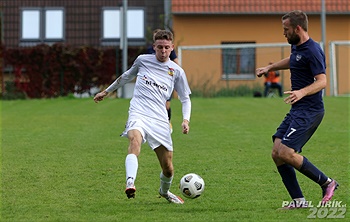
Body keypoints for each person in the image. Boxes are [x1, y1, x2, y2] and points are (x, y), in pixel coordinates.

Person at [93, 30, 191, 204]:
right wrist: (106, 92)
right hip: (138, 111)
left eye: (166, 48)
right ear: (154, 47)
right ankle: (130, 181)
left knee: (168, 168)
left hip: (160, 119)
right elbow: (125, 77)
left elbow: (185, 98)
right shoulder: (142, 60)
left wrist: (185, 120)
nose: (163, 51)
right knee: (134, 141)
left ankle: (164, 192)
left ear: (172, 48)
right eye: (159, 47)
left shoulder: (177, 71)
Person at [256, 10, 338, 209]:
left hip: (310, 110)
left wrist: (302, 92)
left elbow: (322, 81)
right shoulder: (296, 46)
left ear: (298, 28)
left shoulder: (313, 50)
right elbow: (293, 62)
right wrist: (270, 68)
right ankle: (299, 201)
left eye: (286, 29)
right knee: (276, 151)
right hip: (297, 109)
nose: (284, 33)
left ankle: (328, 183)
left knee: (285, 152)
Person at [146, 29, 180, 133]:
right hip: (153, 82)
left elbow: (176, 63)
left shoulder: (169, 50)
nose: (163, 50)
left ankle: (167, 121)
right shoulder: (149, 50)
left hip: (166, 81)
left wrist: (176, 74)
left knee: (167, 104)